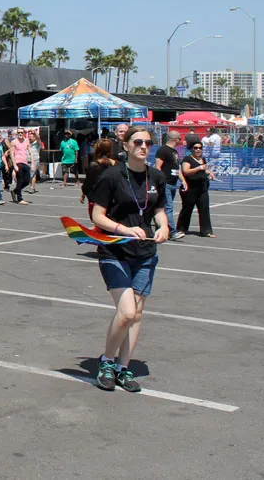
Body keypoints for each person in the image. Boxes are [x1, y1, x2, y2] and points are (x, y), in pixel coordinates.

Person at [88, 126, 168, 393]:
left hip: (145, 253)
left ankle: (123, 367)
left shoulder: (156, 176)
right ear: (125, 146)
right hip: (115, 251)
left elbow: (159, 209)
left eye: (148, 142)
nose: (143, 146)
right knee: (126, 313)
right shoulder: (112, 176)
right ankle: (106, 362)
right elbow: (97, 216)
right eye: (138, 142)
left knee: (137, 315)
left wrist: (163, 226)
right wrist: (123, 229)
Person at [176, 140, 216, 238]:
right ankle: (181, 229)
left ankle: (206, 231)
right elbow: (186, 171)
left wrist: (210, 172)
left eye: (200, 148)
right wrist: (199, 168)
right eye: (196, 148)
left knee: (204, 208)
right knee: (187, 208)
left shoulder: (202, 159)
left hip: (202, 188)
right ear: (191, 149)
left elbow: (205, 170)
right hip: (190, 188)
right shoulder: (187, 159)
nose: (198, 150)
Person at [154, 131, 185, 239]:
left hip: (173, 183)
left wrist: (183, 181)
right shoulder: (163, 150)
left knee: (163, 207)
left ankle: (160, 229)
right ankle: (172, 232)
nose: (180, 141)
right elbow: (158, 167)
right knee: (168, 207)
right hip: (165, 183)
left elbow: (177, 168)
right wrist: (160, 181)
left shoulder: (174, 152)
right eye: (180, 139)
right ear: (175, 139)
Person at [80, 139, 117, 221]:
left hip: (98, 200)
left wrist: (83, 194)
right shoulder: (116, 164)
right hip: (114, 199)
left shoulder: (95, 165)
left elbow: (88, 183)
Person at [10, 128, 34, 204]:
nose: (20, 134)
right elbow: (12, 154)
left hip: (25, 163)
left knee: (27, 181)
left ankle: (15, 191)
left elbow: (31, 152)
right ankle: (20, 198)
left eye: (21, 132)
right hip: (18, 162)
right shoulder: (14, 142)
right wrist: (14, 165)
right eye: (19, 132)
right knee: (19, 181)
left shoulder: (26, 141)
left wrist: (33, 163)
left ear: (24, 133)